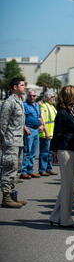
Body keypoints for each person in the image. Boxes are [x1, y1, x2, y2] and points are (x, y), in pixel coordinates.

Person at [49, 85, 74, 228]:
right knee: (68, 187)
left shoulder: (70, 111)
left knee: (66, 186)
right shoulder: (62, 113)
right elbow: (57, 134)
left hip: (71, 149)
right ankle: (65, 219)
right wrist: (55, 151)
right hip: (66, 150)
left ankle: (56, 216)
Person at [0, 77, 28, 208]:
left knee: (16, 169)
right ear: (15, 87)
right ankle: (5, 197)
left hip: (19, 140)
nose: (24, 87)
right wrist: (1, 141)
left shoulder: (19, 101)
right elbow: (2, 123)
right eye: (22, 85)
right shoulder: (9, 102)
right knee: (9, 168)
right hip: (10, 141)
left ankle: (11, 195)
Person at [21, 89, 44, 179]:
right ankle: (24, 171)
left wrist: (42, 125)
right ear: (27, 96)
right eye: (30, 96)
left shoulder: (37, 105)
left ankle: (30, 171)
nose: (32, 97)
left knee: (34, 152)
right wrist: (25, 128)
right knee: (27, 152)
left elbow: (39, 116)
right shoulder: (24, 105)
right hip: (29, 130)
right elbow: (21, 118)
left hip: (36, 130)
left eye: (34, 96)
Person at [38, 90, 58, 177]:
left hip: (52, 133)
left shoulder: (52, 106)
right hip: (46, 134)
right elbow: (43, 121)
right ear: (48, 98)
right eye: (52, 97)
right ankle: (42, 169)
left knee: (50, 152)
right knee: (44, 152)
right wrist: (46, 132)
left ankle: (49, 168)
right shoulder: (44, 106)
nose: (54, 98)